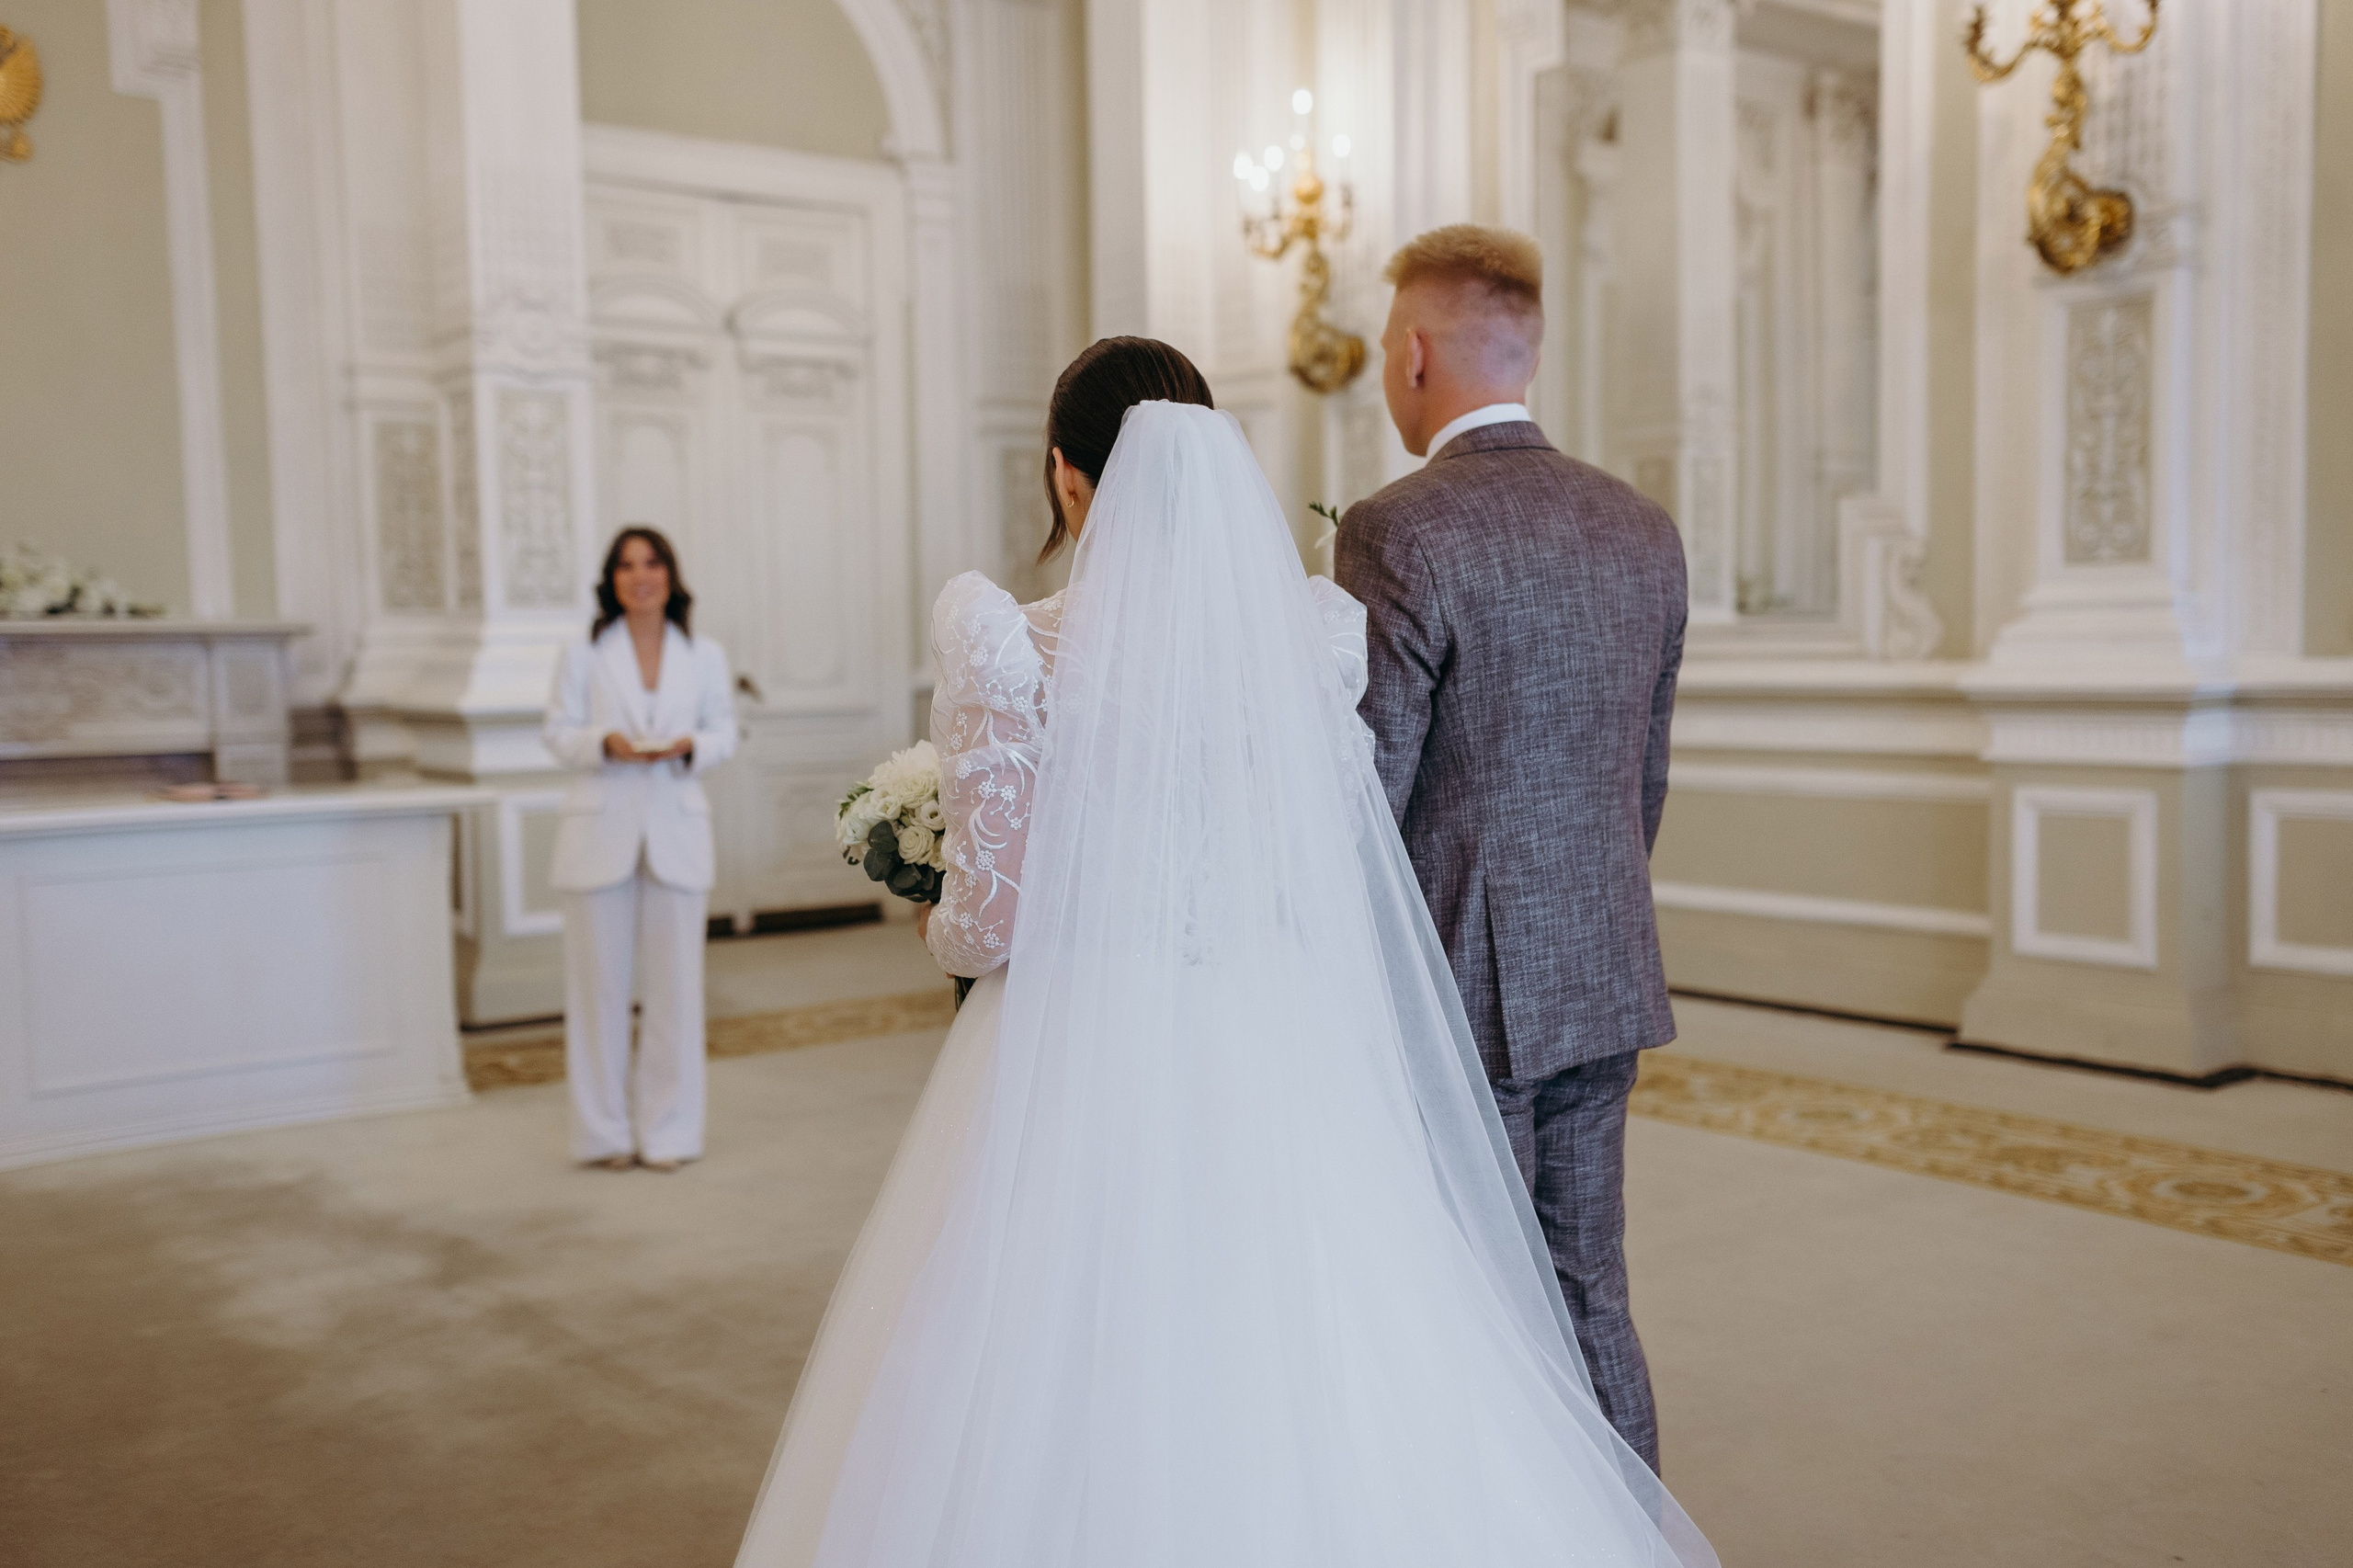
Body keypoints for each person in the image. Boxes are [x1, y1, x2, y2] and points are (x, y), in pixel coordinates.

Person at [733, 339, 1713, 1568]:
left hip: (1086, 1044)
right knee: (1312, 1341)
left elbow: (992, 923)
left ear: (1068, 475)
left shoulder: (1011, 641)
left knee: (1055, 1358)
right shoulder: (1308, 637)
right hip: (1271, 1036)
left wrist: (937, 899)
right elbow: (1325, 875)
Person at [1333, 225, 1688, 1471]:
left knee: (1469, 1295)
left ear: (1417, 353)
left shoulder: (1397, 529)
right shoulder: (1641, 528)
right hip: (1601, 963)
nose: (1387, 367)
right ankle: (1627, 1533)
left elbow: (1371, 788)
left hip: (1458, 991)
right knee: (1590, 1285)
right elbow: (1641, 775)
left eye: (1386, 346)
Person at [543, 527, 738, 1172]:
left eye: (650, 563)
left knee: (677, 994)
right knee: (598, 993)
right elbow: (558, 731)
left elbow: (723, 733)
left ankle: (671, 1132)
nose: (640, 575)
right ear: (612, 581)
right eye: (626, 566)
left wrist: (692, 747)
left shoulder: (703, 653)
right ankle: (602, 1134)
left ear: (670, 575)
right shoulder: (584, 652)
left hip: (677, 833)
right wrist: (604, 742)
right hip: (599, 833)